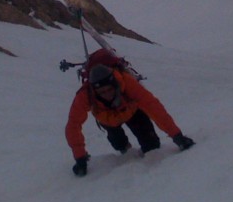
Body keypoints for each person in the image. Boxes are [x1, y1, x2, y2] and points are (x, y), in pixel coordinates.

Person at [65, 64, 195, 177]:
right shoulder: (85, 95)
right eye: (102, 92)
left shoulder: (127, 83)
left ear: (115, 83)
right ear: (94, 90)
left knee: (152, 146)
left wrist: (177, 136)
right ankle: (126, 151)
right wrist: (80, 158)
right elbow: (73, 125)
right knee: (119, 144)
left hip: (133, 112)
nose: (106, 94)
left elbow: (154, 107)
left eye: (109, 89)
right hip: (108, 120)